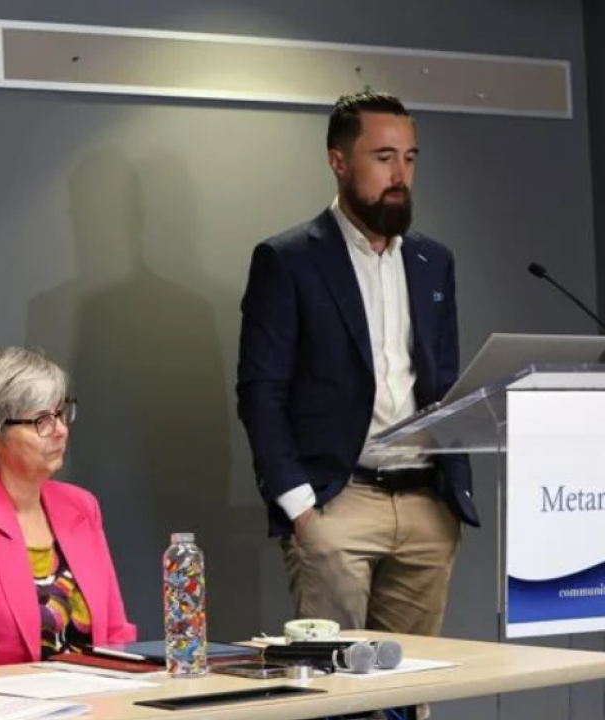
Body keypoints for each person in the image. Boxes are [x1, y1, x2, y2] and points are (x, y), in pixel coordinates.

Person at [236, 91, 480, 636]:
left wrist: (449, 496)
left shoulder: (432, 260)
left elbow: (443, 380)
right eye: (383, 157)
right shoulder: (289, 259)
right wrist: (302, 510)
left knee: (409, 694)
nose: (400, 173)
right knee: (337, 693)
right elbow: (260, 391)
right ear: (339, 161)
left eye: (410, 158)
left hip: (424, 505)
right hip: (338, 502)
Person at [0, 347, 136, 670]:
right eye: (41, 421)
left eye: (61, 414)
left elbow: (116, 633)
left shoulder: (81, 506)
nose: (60, 429)